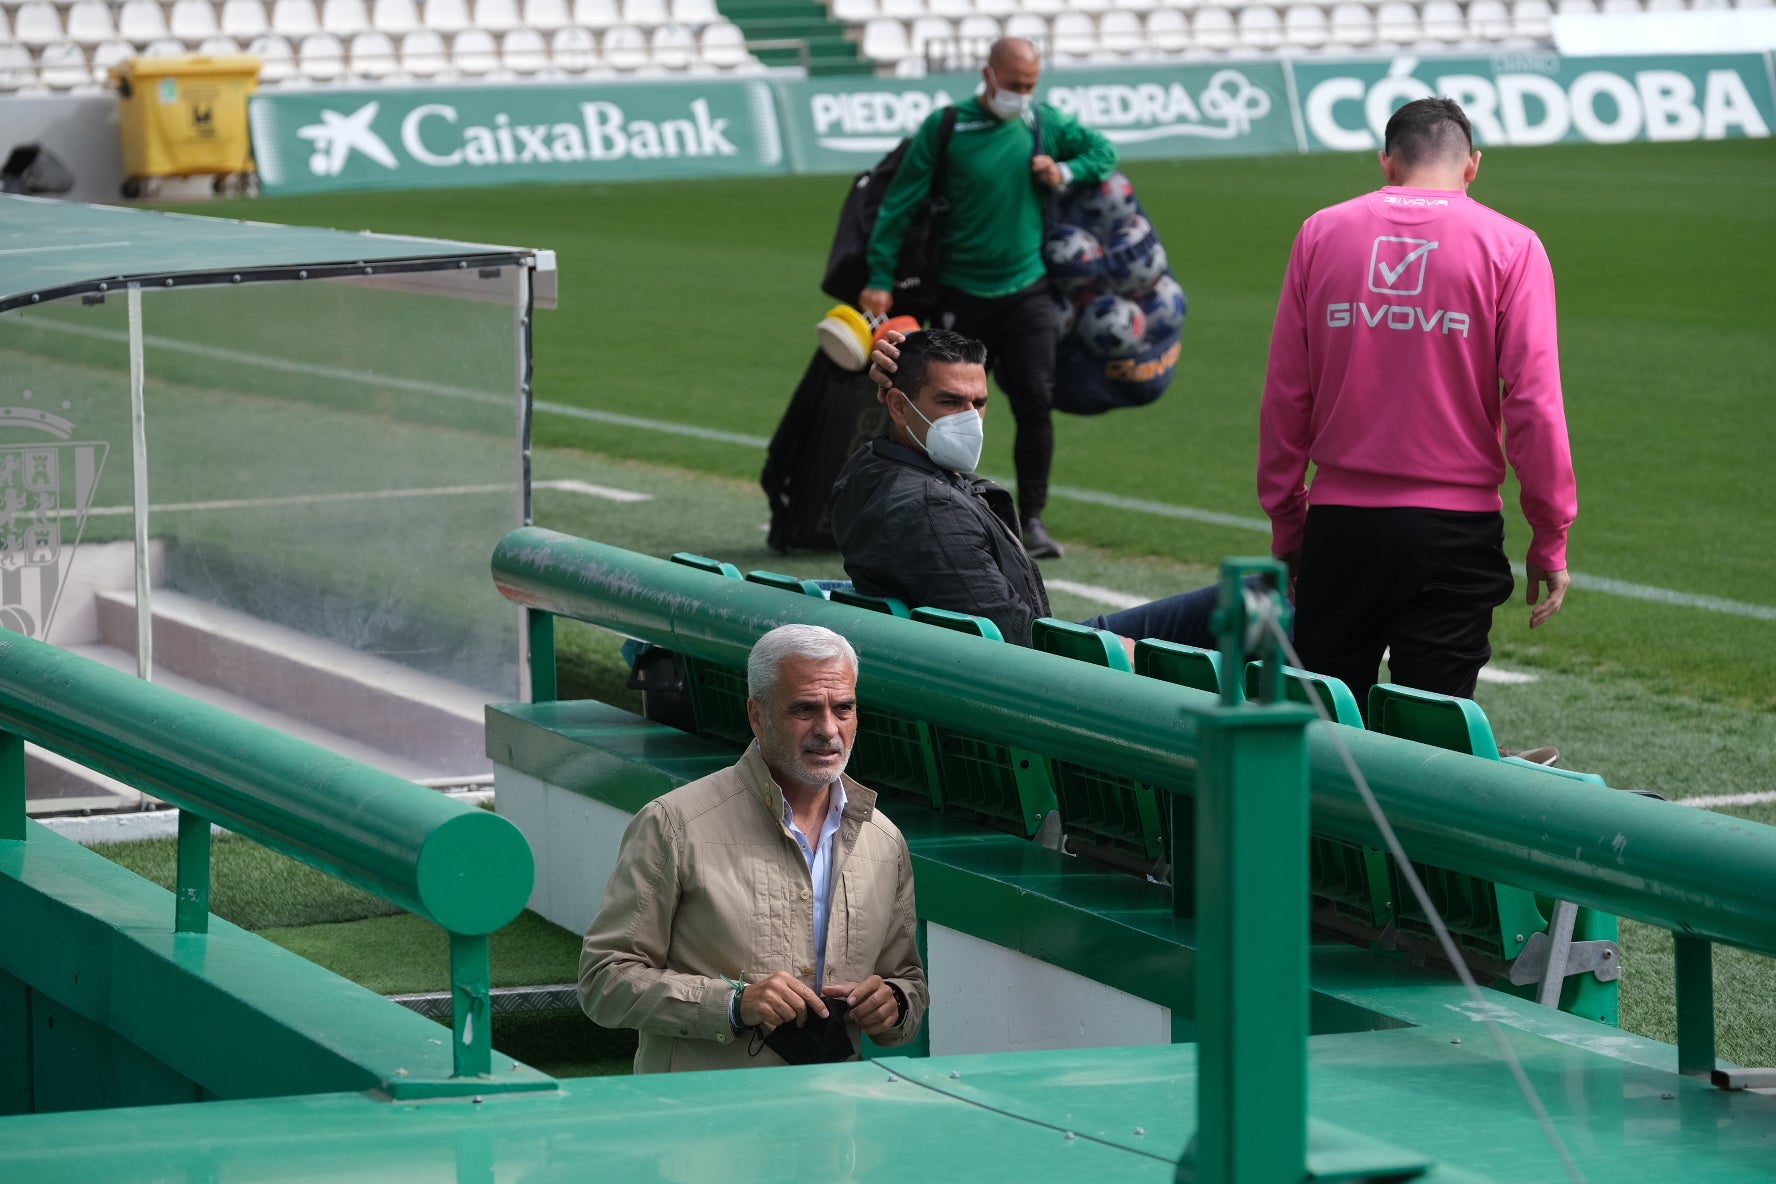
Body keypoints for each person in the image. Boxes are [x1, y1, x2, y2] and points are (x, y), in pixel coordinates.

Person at [1257, 97, 1576, 719]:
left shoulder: (1321, 231)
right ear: (1473, 166)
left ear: (1386, 163)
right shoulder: (1513, 245)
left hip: (1341, 523)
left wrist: (1288, 521)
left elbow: (1286, 392)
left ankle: (1320, 823)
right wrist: (1550, 533)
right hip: (1452, 533)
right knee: (1430, 735)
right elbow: (1535, 404)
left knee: (1324, 729)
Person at [579, 624, 927, 1073]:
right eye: (804, 709)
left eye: (844, 708)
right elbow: (603, 980)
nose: (828, 729)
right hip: (706, 1121)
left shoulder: (885, 840)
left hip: (833, 1110)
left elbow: (908, 982)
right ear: (757, 716)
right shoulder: (673, 824)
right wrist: (733, 1004)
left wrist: (894, 1003)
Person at [859, 36, 1118, 560]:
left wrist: (1065, 171)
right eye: (1014, 84)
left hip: (1027, 290)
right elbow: (900, 201)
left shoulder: (1041, 122)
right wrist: (880, 273)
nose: (1021, 94)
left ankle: (1034, 520)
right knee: (953, 408)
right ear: (988, 74)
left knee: (1035, 403)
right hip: (961, 292)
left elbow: (1103, 153)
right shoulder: (948, 125)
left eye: (1030, 85)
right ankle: (947, 508)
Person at [834, 328, 1224, 656]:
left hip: (1028, 654)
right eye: (950, 402)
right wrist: (1123, 652)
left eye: (979, 403)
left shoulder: (869, 468)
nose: (969, 418)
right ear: (900, 406)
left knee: (1245, 599)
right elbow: (1019, 647)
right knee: (1251, 604)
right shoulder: (930, 510)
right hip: (1050, 673)